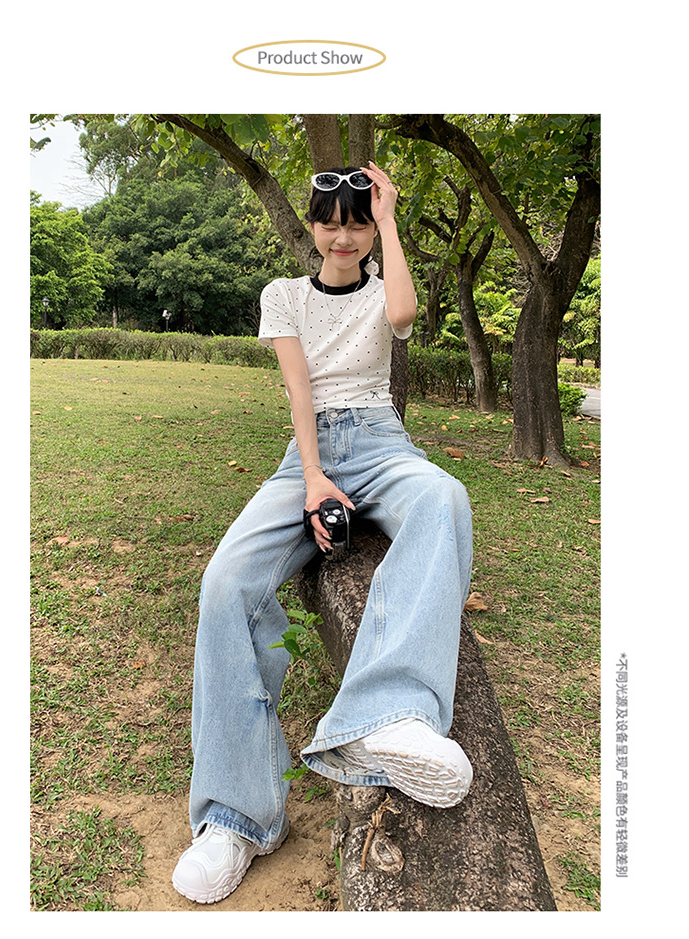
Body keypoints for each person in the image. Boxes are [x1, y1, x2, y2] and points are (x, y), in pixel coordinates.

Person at [172, 163, 474, 905]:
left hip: (382, 443)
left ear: (372, 228)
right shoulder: (284, 296)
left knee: (444, 498)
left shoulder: (381, 287)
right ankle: (237, 818)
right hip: (307, 453)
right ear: (311, 226)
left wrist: (392, 216)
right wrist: (312, 478)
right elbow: (299, 392)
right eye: (329, 222)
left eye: (357, 222)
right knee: (225, 582)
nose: (342, 236)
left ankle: (389, 716)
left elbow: (403, 313)